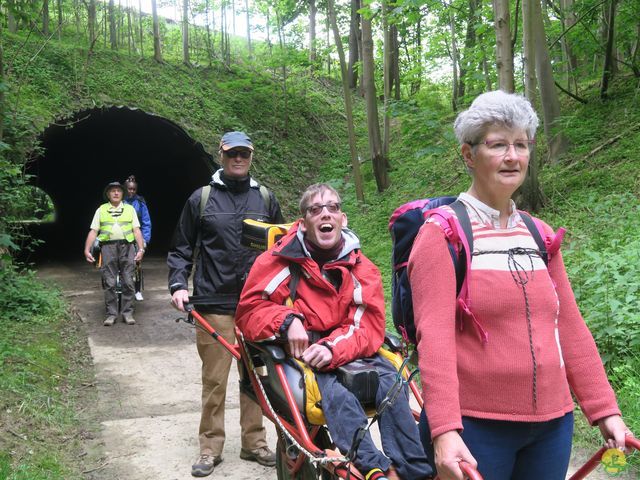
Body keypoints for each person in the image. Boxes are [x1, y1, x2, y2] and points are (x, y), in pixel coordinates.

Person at [408, 90, 634, 480]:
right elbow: (436, 337)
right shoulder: (442, 234)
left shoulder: (539, 234)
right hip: (477, 425)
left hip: (553, 425)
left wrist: (605, 410)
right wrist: (444, 430)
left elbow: (569, 325)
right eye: (498, 145)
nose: (513, 156)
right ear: (469, 155)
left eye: (521, 144)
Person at [236, 183, 433, 480]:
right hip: (305, 353)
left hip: (350, 347)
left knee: (393, 384)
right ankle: (371, 468)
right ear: (303, 223)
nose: (325, 213)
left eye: (332, 208)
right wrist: (287, 321)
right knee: (337, 395)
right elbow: (250, 311)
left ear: (343, 219)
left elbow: (366, 324)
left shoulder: (362, 268)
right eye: (315, 209)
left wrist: (331, 348)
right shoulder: (277, 262)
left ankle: (417, 470)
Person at [167, 131, 284, 478]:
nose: (238, 159)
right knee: (214, 380)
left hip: (256, 305)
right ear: (220, 155)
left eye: (244, 154)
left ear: (251, 156)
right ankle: (210, 447)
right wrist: (178, 284)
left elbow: (280, 249)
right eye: (232, 153)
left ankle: (254, 442)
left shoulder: (264, 198)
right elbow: (181, 248)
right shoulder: (201, 199)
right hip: (212, 302)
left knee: (257, 379)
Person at [84, 181, 145, 326]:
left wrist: (141, 249)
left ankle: (127, 313)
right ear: (108, 194)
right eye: (113, 191)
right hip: (108, 248)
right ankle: (111, 314)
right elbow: (94, 231)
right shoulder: (101, 210)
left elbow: (137, 230)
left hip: (127, 246)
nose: (116, 193)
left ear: (122, 194)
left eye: (118, 191)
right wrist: (87, 249)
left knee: (129, 281)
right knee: (109, 282)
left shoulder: (130, 209)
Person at [124, 175, 152, 301]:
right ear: (125, 189)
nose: (131, 191)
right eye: (129, 189)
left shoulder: (140, 203)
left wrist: (145, 240)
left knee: (137, 264)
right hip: (122, 237)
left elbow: (146, 222)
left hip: (137, 237)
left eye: (133, 189)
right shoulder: (119, 202)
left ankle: (137, 290)